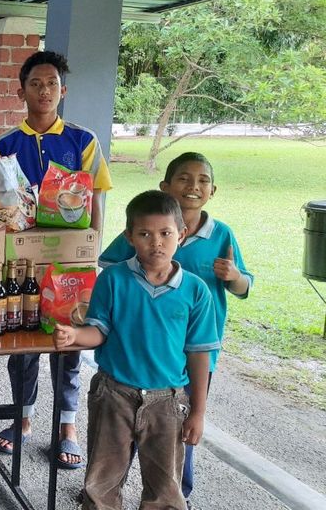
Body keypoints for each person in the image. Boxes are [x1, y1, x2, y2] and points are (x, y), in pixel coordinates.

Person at [98, 152, 252, 504]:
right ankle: (109, 489)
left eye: (202, 180)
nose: (193, 186)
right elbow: (110, 264)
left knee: (179, 428)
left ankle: (174, 493)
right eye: (184, 178)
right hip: (139, 347)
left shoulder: (222, 234)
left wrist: (234, 276)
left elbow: (243, 286)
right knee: (125, 430)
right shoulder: (148, 222)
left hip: (195, 350)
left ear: (213, 190)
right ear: (166, 186)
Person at [54, 190, 218, 510]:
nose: (155, 242)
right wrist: (74, 335)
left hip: (168, 401)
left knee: (165, 488)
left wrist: (197, 411)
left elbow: (199, 354)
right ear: (129, 236)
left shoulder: (196, 291)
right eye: (144, 233)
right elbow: (98, 331)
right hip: (113, 394)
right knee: (101, 480)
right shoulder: (113, 279)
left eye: (165, 233)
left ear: (181, 235)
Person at [0, 51, 113, 470]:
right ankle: (21, 419)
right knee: (21, 342)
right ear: (21, 90)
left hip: (70, 263)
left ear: (64, 90)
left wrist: (90, 252)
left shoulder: (83, 140)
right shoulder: (6, 144)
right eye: (36, 84)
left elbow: (96, 197)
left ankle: (67, 426)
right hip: (21, 264)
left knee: (69, 342)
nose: (45, 91)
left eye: (52, 84)